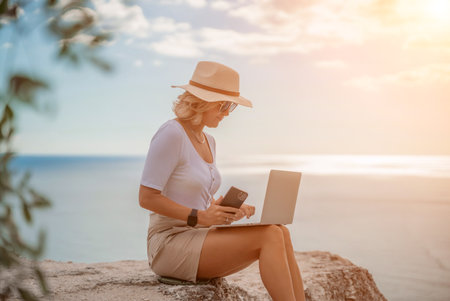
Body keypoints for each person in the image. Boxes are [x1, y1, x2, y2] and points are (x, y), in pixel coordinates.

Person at [139, 61, 306, 301]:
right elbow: (146, 197)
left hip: (197, 235)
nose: (227, 113)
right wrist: (199, 216)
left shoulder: (209, 141)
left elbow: (197, 203)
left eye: (231, 107)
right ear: (202, 102)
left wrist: (222, 210)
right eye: (224, 105)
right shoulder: (171, 134)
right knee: (268, 235)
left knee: (279, 231)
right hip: (169, 243)